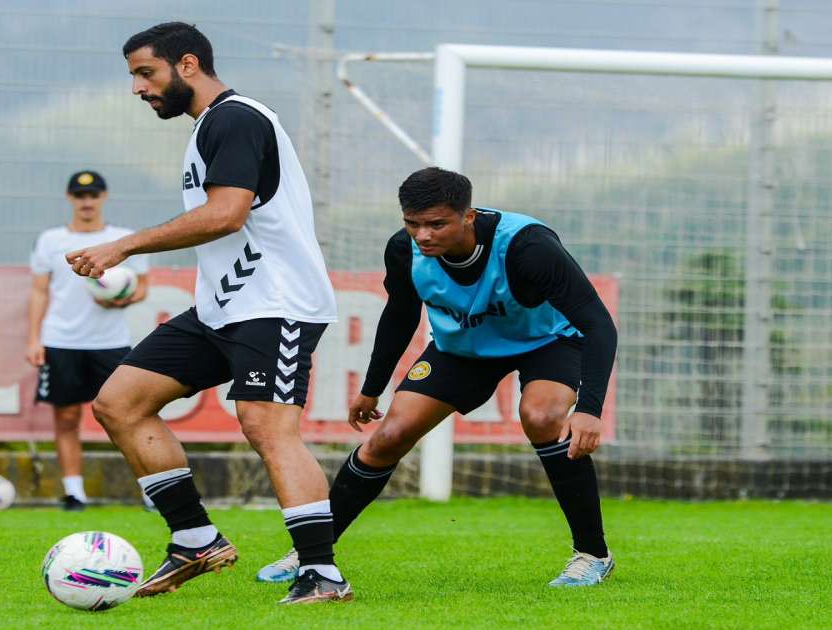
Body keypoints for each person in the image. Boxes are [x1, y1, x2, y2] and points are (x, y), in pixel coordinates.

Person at [65, 22, 350, 605]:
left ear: (187, 64)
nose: (138, 88)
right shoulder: (205, 130)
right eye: (133, 77)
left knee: (266, 426)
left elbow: (226, 214)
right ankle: (196, 540)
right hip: (224, 307)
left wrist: (122, 245)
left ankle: (322, 573)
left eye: (146, 73)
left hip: (277, 303)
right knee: (120, 402)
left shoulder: (236, 118)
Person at [256, 166, 619, 588]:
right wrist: (372, 389)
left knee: (540, 417)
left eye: (436, 224)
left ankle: (593, 554)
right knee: (387, 438)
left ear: (469, 216)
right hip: (463, 347)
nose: (423, 235)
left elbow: (598, 323)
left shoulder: (528, 247)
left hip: (547, 341)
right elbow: (400, 316)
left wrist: (590, 409)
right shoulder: (404, 250)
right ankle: (311, 552)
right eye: (413, 224)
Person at [27, 170, 149, 511]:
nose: (87, 202)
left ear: (103, 197)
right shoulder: (51, 240)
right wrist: (34, 339)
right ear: (70, 199)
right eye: (80, 196)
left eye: (93, 195)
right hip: (62, 339)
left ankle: (151, 490)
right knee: (66, 418)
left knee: (128, 416)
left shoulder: (124, 239)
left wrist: (120, 299)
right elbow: (38, 292)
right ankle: (74, 492)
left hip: (110, 342)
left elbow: (142, 288)